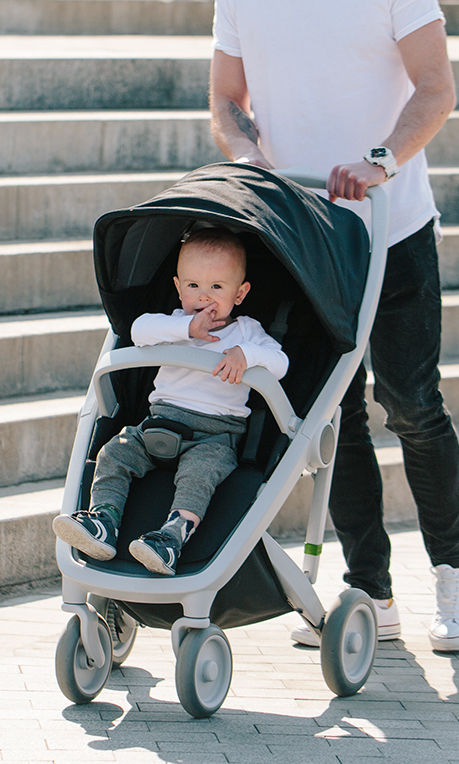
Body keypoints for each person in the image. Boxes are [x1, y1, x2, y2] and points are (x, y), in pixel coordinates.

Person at [206, 0, 459, 651]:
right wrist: (246, 152)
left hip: (392, 225)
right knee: (333, 414)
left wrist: (382, 161)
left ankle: (452, 576)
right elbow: (226, 100)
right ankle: (371, 591)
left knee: (413, 404)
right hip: (305, 234)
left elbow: (435, 90)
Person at [53, 228, 288, 576]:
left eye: (217, 288)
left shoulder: (247, 332)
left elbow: (279, 363)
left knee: (200, 474)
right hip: (157, 424)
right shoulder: (173, 324)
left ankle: (171, 538)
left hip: (215, 435)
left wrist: (245, 355)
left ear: (240, 294)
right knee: (114, 453)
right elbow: (138, 331)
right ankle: (103, 521)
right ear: (178, 288)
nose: (204, 297)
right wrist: (186, 329)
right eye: (193, 286)